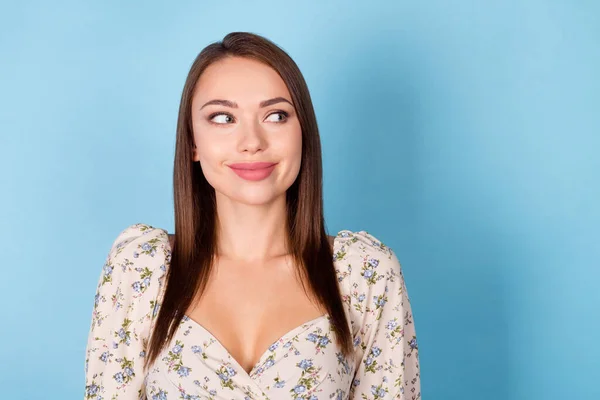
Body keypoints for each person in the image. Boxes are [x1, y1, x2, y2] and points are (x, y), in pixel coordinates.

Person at [84, 32, 421, 400]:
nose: (252, 141)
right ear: (193, 142)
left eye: (276, 115)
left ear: (303, 133)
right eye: (223, 117)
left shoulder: (364, 275)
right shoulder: (140, 269)